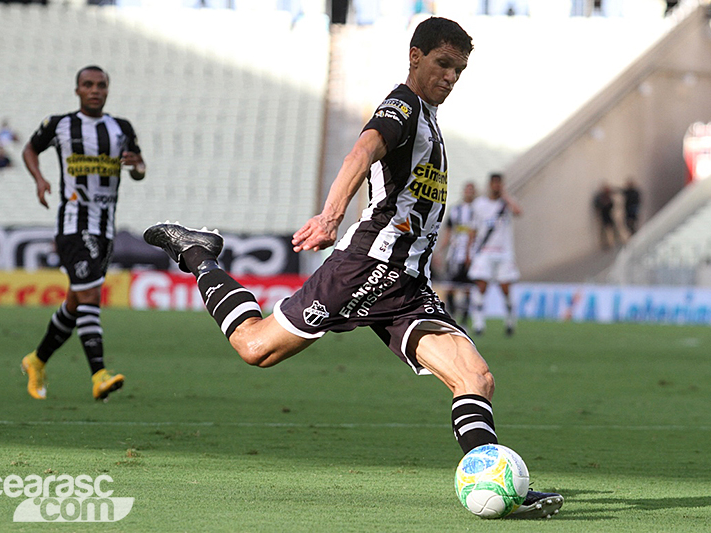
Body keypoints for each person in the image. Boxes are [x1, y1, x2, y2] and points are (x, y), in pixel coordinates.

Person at [144, 17, 562, 519]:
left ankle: (499, 488)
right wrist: (330, 215)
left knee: (476, 377)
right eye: (443, 64)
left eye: (460, 69)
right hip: (368, 266)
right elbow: (362, 151)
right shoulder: (403, 106)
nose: (451, 76)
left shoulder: (428, 117)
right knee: (255, 348)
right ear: (415, 57)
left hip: (408, 282)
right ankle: (197, 254)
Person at [21, 65, 146, 401]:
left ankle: (36, 360)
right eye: (87, 85)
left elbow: (139, 169)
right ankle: (99, 375)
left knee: (76, 303)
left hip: (105, 228)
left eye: (101, 85)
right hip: (74, 224)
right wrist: (40, 179)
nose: (94, 90)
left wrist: (137, 166)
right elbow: (29, 149)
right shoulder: (60, 124)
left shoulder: (121, 128)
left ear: (108, 90)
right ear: (77, 90)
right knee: (90, 296)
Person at [467, 173, 522, 337]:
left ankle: (510, 322)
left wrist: (505, 196)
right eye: (494, 183)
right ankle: (478, 324)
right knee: (481, 286)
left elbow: (519, 212)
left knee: (505, 289)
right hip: (484, 252)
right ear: (489, 184)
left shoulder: (506, 203)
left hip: (504, 253)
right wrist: (469, 251)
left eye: (499, 184)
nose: (496, 186)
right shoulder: (479, 204)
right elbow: (473, 229)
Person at [435, 181, 476, 326]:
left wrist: (470, 253)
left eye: (472, 190)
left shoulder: (478, 210)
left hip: (471, 255)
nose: (469, 192)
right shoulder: (455, 210)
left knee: (467, 289)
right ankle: (452, 318)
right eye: (467, 189)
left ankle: (464, 322)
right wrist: (439, 252)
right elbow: (448, 233)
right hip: (454, 254)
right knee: (450, 287)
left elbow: (475, 233)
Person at [593, 183, 620, 250]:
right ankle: (606, 244)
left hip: (609, 215)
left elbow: (612, 205)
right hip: (603, 215)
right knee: (604, 231)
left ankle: (616, 241)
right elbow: (597, 206)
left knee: (613, 228)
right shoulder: (600, 197)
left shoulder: (608, 197)